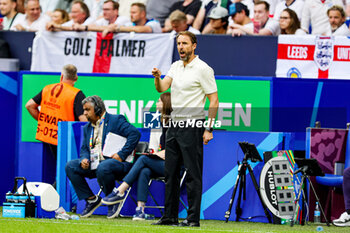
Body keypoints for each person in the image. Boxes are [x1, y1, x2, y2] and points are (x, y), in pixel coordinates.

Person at [151, 31, 219, 227]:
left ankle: (192, 220)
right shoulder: (175, 66)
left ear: (194, 45)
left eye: (185, 43)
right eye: (178, 43)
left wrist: (209, 129)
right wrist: (157, 77)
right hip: (173, 124)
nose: (180, 47)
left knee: (192, 174)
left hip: (192, 125)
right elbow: (162, 87)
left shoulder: (204, 69)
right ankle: (169, 217)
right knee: (170, 173)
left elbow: (213, 99)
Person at [65, 95, 141, 219]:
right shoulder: (87, 128)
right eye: (84, 110)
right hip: (96, 164)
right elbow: (85, 148)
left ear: (98, 109)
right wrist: (84, 158)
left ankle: (113, 199)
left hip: (118, 164)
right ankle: (91, 200)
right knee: (71, 166)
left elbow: (135, 134)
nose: (84, 113)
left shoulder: (116, 120)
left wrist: (121, 154)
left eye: (87, 110)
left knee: (103, 166)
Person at [102, 92, 172, 221]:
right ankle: (140, 210)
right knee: (144, 169)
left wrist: (166, 153)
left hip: (174, 165)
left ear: (167, 104)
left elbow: (176, 149)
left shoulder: (176, 124)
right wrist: (154, 153)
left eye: (159, 101)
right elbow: (153, 147)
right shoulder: (156, 122)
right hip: (159, 162)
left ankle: (120, 191)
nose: (156, 103)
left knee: (143, 160)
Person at [25, 64, 87, 184]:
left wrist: (43, 121)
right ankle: (57, 197)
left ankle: (56, 196)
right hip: (67, 139)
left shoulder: (47, 88)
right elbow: (84, 121)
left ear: (61, 76)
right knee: (67, 171)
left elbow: (29, 105)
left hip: (48, 136)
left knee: (61, 171)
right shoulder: (77, 94)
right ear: (76, 78)